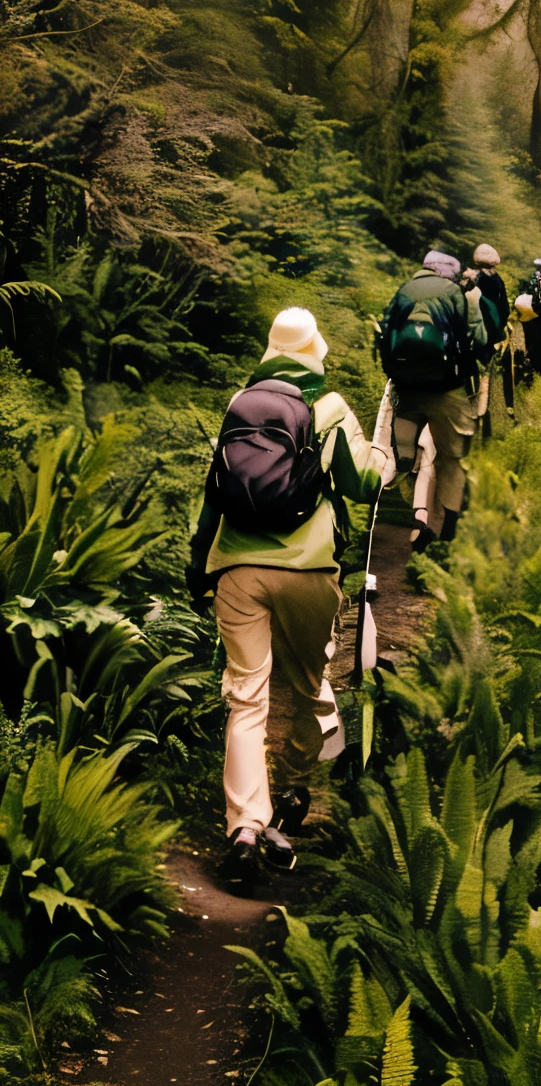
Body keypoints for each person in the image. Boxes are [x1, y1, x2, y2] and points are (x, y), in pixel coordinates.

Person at [186, 307, 385, 880]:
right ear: (316, 348)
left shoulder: (239, 405)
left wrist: (199, 566)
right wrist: (377, 456)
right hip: (309, 571)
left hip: (237, 570)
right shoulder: (329, 407)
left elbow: (214, 491)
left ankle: (246, 828)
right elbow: (364, 484)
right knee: (306, 683)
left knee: (246, 699)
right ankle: (294, 791)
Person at [377, 249, 488, 553]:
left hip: (407, 389)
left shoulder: (403, 291)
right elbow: (477, 339)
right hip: (446, 389)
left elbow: (385, 334)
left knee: (404, 455)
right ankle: (449, 529)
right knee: (452, 458)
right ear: (449, 273)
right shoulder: (457, 295)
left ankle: (406, 513)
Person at [460, 243, 510, 438]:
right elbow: (504, 308)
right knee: (487, 376)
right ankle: (485, 421)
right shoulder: (498, 281)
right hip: (492, 336)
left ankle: (468, 413)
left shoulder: (472, 280)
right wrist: (499, 329)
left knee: (469, 372)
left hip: (472, 333)